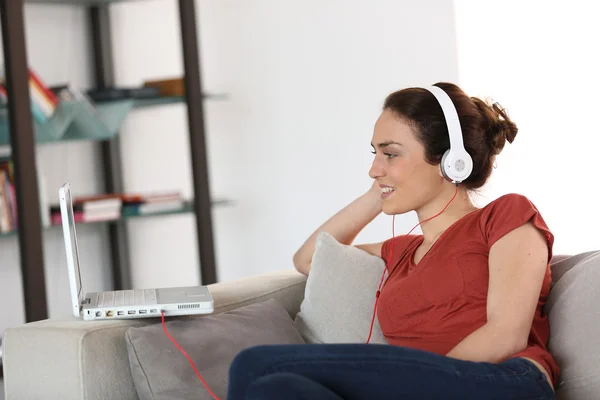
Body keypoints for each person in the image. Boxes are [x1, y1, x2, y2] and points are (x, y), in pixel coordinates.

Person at [226, 82, 558, 399]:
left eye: (390, 154)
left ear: (450, 161)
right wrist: (379, 191)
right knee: (275, 389)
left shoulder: (505, 215)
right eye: (375, 154)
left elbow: (506, 336)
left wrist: (426, 386)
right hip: (423, 387)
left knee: (253, 365)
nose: (374, 168)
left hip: (504, 381)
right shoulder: (400, 253)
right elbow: (309, 259)